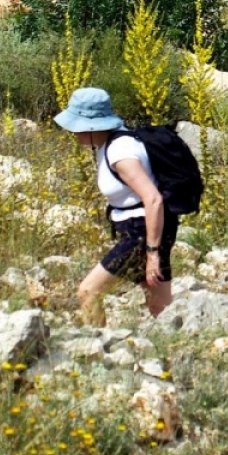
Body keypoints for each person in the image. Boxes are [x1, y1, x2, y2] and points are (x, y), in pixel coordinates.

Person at [54, 88, 177, 327]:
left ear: (92, 126)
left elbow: (153, 199)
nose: (72, 132)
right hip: (148, 230)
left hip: (142, 234)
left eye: (76, 126)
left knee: (88, 292)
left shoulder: (121, 152)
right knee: (161, 307)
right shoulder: (113, 141)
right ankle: (182, 350)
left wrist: (152, 253)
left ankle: (98, 349)